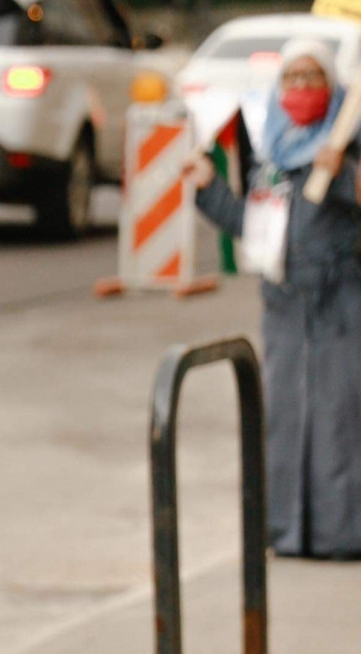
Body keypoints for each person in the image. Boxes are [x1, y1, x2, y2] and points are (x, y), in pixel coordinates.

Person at [184, 38, 361, 559]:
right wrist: (208, 187)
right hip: (284, 306)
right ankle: (287, 532)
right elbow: (253, 228)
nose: (302, 89)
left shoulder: (348, 139)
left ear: (332, 87)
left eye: (313, 79)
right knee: (286, 420)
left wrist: (345, 175)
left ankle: (343, 534)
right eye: (293, 78)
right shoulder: (271, 153)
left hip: (341, 302)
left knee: (339, 420)